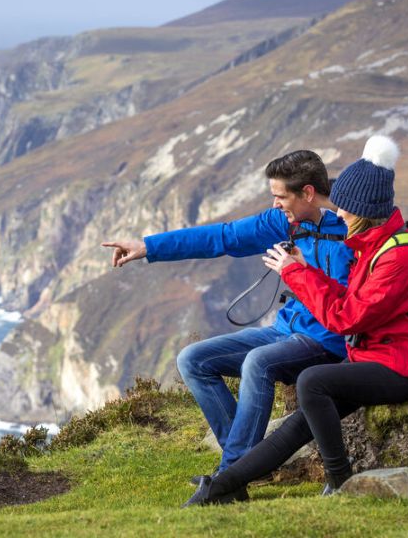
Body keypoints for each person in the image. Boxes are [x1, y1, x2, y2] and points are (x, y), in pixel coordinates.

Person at [183, 134, 408, 506]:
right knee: (295, 426)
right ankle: (223, 487)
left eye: (345, 209)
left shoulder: (398, 258)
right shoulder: (373, 247)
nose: (338, 214)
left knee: (312, 381)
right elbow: (349, 301)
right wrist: (308, 270)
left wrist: (295, 273)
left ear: (363, 211)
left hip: (405, 364)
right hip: (376, 357)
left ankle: (339, 479)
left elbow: (345, 318)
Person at [102, 150, 354, 485]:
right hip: (286, 329)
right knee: (193, 359)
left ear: (307, 193)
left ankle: (230, 477)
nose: (275, 204)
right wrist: (149, 247)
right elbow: (223, 237)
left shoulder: (352, 227)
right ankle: (252, 464)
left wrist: (300, 272)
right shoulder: (284, 222)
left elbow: (349, 304)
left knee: (258, 363)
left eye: (280, 196)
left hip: (325, 339)